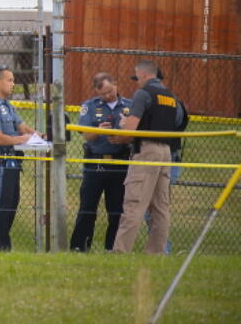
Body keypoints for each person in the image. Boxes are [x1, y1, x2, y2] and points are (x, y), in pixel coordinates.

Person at [111, 60, 187, 254]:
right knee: (160, 207)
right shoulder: (171, 97)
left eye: (137, 78)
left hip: (147, 152)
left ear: (144, 75)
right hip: (166, 153)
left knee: (134, 203)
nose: (137, 82)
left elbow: (130, 130)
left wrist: (117, 137)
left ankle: (120, 251)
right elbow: (179, 122)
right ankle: (156, 252)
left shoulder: (143, 94)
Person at [0, 66, 38, 251]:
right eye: (9, 80)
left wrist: (38, 135)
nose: (13, 84)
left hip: (13, 162)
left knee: (11, 205)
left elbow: (22, 127)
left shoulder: (7, 106)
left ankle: (3, 246)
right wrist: (22, 140)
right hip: (0, 162)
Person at [69, 72, 131, 252]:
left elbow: (136, 135)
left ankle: (112, 248)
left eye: (109, 92)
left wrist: (122, 138)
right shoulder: (89, 106)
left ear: (115, 84)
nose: (107, 96)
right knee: (88, 207)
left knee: (117, 209)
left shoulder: (130, 106)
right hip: (95, 163)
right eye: (102, 94)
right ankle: (80, 247)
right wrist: (98, 131)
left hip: (119, 163)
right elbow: (86, 136)